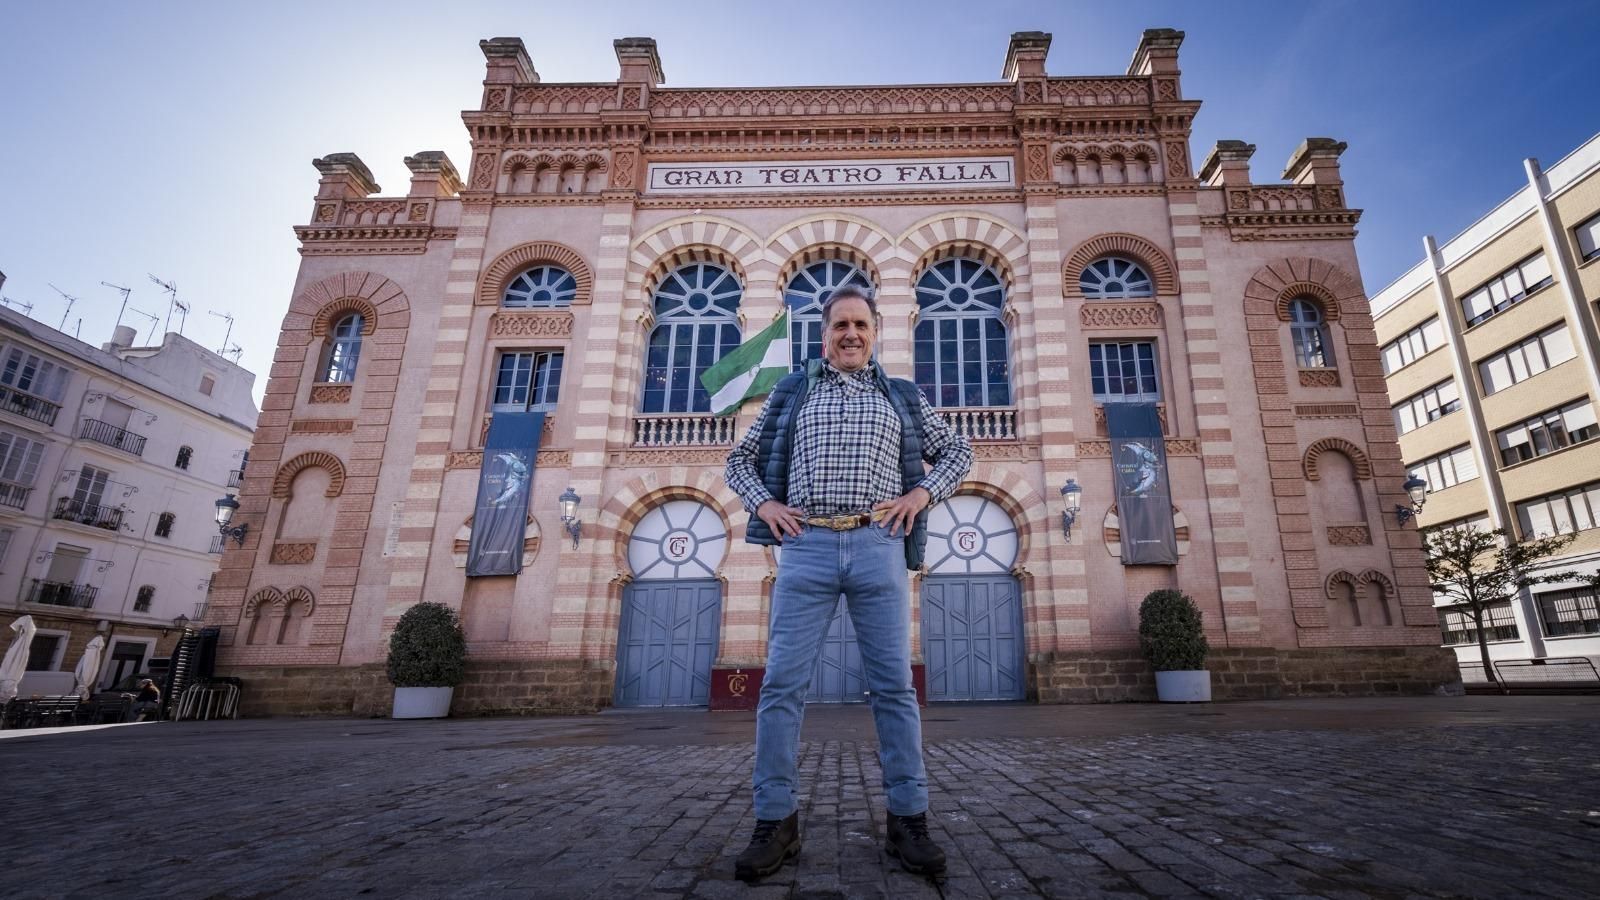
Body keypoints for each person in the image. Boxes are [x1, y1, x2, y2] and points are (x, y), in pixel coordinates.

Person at [724, 285, 973, 882]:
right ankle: (774, 820)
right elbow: (739, 460)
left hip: (878, 546)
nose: (851, 334)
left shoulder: (902, 397)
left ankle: (908, 819)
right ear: (825, 333)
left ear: (875, 330)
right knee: (781, 686)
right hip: (805, 546)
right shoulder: (792, 392)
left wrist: (921, 493)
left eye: (860, 324)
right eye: (841, 325)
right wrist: (764, 505)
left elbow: (960, 451)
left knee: (893, 689)